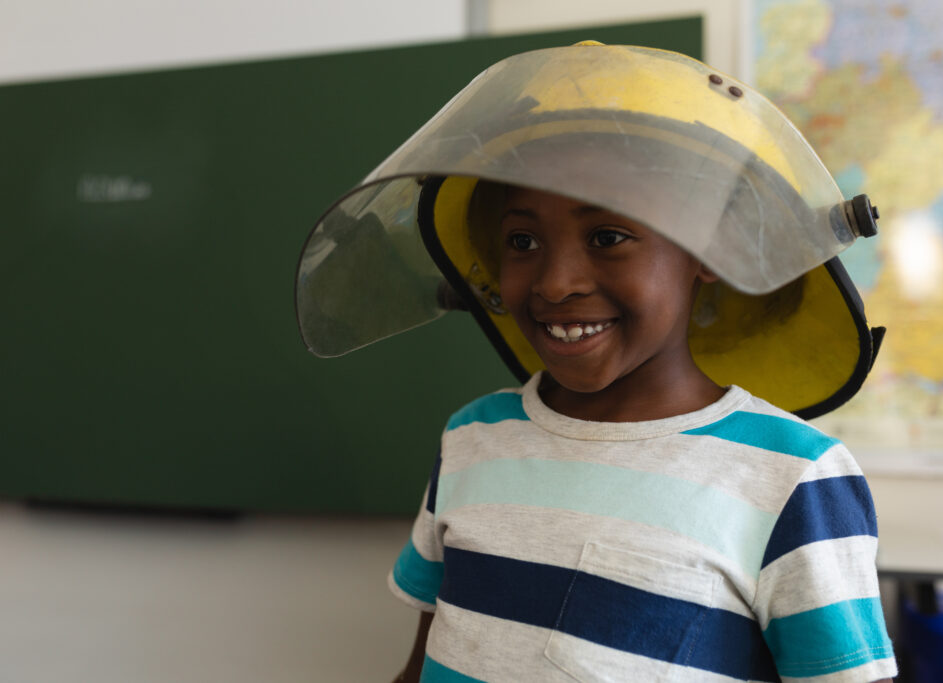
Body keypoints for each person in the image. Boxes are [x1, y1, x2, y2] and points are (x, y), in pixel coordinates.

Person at [295, 42, 897, 682]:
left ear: (710, 250)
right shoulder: (472, 438)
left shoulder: (794, 479)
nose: (555, 283)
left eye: (608, 236)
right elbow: (422, 663)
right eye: (522, 241)